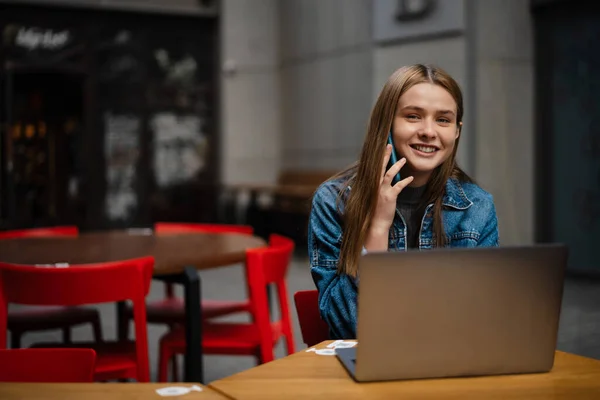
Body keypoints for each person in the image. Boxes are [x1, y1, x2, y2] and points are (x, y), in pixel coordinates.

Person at [308, 64, 499, 339]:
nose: (429, 131)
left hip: (448, 364)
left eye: (443, 120)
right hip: (366, 367)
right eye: (413, 116)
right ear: (386, 123)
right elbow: (347, 326)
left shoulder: (477, 206)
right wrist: (377, 228)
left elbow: (483, 318)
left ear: (457, 131)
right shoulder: (333, 201)